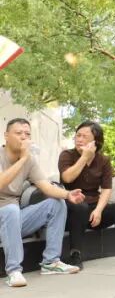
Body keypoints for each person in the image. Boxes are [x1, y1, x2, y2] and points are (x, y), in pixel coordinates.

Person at [0, 118, 83, 287]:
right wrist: (23, 159)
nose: (24, 137)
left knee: (56, 203)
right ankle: (14, 271)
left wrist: (67, 194)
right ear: (6, 135)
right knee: (11, 210)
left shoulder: (29, 161)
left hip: (13, 221)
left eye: (27, 134)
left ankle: (51, 262)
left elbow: (46, 186)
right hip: (6, 215)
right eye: (18, 133)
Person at [56, 121, 115, 267]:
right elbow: (67, 178)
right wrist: (84, 158)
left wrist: (99, 210)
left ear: (96, 141)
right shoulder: (67, 155)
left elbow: (106, 189)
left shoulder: (103, 160)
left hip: (93, 210)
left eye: (84, 137)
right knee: (80, 207)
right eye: (78, 135)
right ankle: (75, 255)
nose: (79, 139)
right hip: (71, 209)